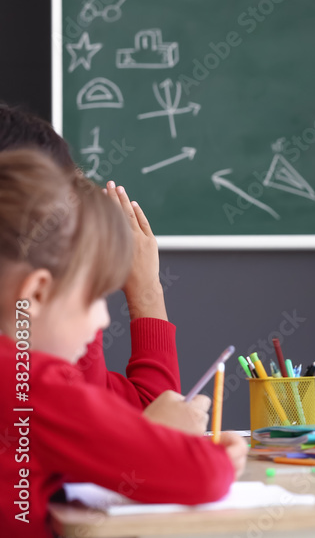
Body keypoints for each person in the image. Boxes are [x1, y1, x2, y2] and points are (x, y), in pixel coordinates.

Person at [0, 150, 246, 538]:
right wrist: (214, 457)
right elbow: (204, 475)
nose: (103, 320)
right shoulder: (31, 381)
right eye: (96, 296)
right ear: (37, 293)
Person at [0, 104, 207, 434]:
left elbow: (142, 415)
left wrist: (145, 288)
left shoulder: (51, 323)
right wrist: (145, 292)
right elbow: (149, 433)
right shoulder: (52, 323)